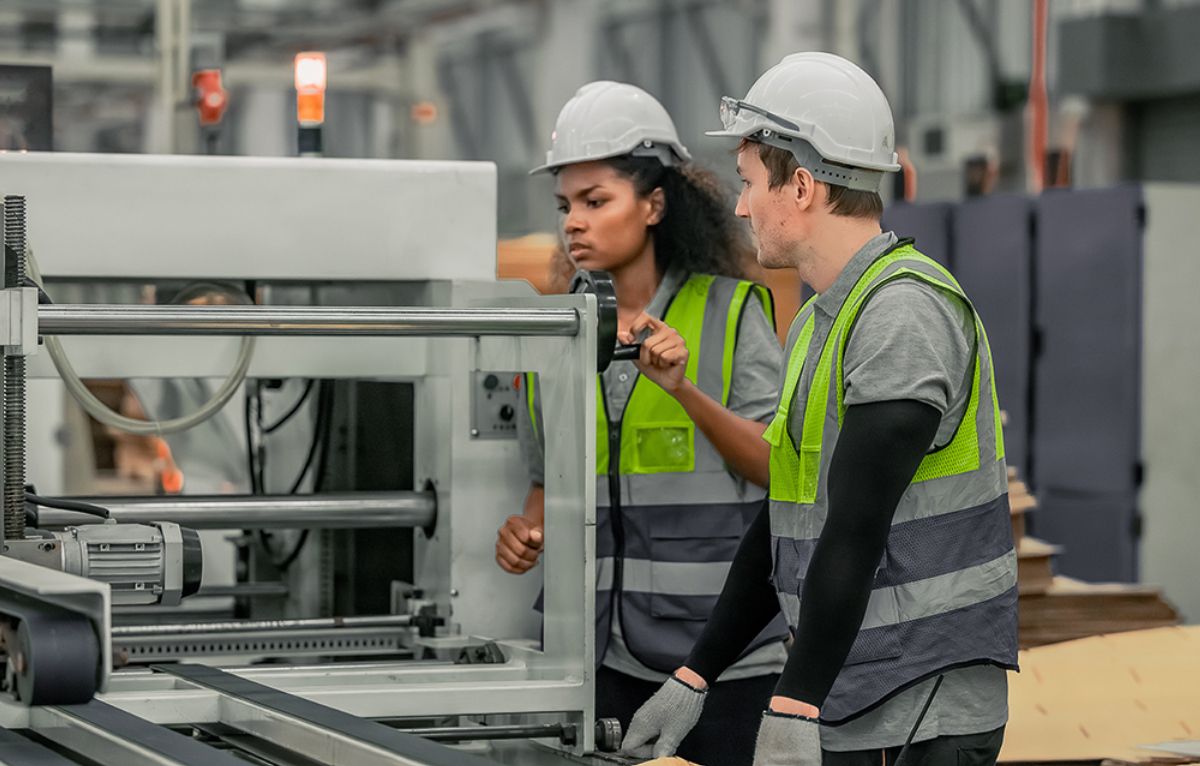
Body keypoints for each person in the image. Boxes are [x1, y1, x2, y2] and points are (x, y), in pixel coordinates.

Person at [621, 53, 1018, 766]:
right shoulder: (819, 320)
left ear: (801, 186)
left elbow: (856, 526)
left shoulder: (901, 314)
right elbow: (786, 517)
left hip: (922, 707)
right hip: (856, 694)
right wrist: (695, 673)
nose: (740, 207)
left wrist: (793, 701)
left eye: (748, 184)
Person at [495, 81, 790, 765]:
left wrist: (685, 390)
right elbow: (547, 483)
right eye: (566, 205)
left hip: (722, 661)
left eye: (597, 202)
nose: (574, 222)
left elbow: (776, 467)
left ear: (654, 204)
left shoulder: (729, 313)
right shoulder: (553, 333)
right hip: (598, 658)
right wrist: (526, 530)